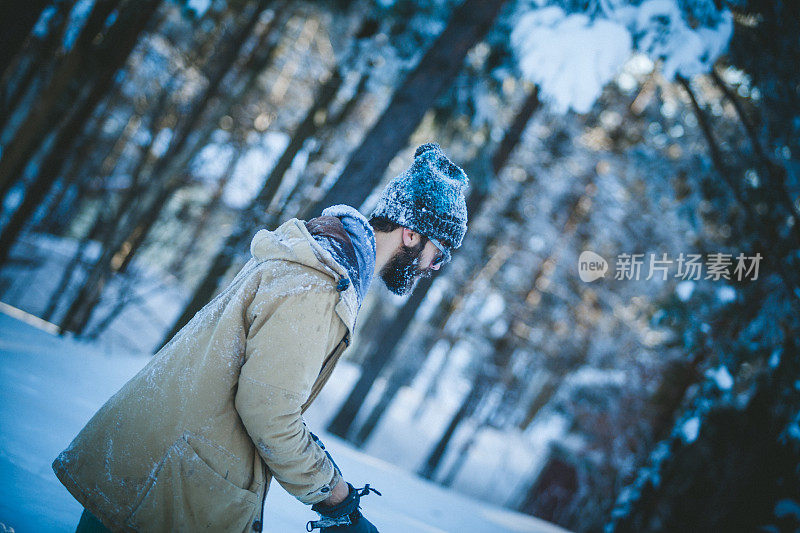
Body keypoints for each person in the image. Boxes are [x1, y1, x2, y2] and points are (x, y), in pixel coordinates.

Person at [53, 143, 469, 532]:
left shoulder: (322, 269)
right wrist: (338, 501)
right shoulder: (319, 283)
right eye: (441, 251)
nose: (434, 267)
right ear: (412, 234)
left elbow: (265, 393)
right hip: (159, 488)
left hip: (163, 472)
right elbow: (269, 413)